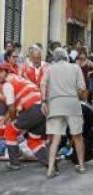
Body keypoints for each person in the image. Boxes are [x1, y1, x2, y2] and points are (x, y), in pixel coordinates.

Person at [41, 47, 87, 177]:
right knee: (77, 136)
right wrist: (74, 96)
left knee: (55, 138)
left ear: (54, 58)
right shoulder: (75, 68)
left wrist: (44, 101)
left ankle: (50, 169)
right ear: (66, 56)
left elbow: (43, 84)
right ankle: (82, 166)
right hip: (72, 104)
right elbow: (82, 88)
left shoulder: (49, 69)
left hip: (55, 106)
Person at [0, 64, 48, 170]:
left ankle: (14, 163)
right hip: (42, 110)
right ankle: (49, 161)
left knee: (10, 131)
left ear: (6, 71)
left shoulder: (7, 84)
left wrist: (12, 122)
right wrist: (8, 120)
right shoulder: (19, 79)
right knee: (34, 139)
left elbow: (11, 108)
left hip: (32, 109)